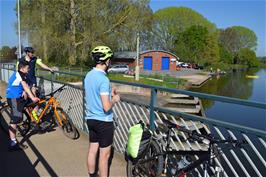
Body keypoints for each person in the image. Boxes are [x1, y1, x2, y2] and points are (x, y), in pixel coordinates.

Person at [84, 46, 120, 177]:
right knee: (104, 156)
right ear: (107, 61)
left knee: (93, 150)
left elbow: (95, 94)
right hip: (103, 122)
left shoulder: (88, 75)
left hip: (91, 118)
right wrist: (114, 99)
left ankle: (92, 175)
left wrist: (110, 91)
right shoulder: (103, 79)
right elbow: (106, 107)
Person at [6, 60, 40, 151]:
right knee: (15, 120)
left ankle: (30, 120)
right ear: (22, 68)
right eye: (27, 68)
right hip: (13, 98)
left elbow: (23, 86)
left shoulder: (22, 74)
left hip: (18, 97)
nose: (29, 70)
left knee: (34, 105)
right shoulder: (19, 74)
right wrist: (33, 98)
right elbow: (25, 86)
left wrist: (25, 92)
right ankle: (13, 143)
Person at [18, 47, 53, 121]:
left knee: (35, 97)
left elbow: (41, 64)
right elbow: (17, 72)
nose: (32, 54)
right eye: (31, 52)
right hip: (24, 81)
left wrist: (49, 68)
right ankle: (30, 117)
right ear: (27, 53)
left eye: (33, 52)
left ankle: (34, 114)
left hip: (32, 81)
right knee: (26, 99)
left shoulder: (34, 59)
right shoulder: (21, 60)